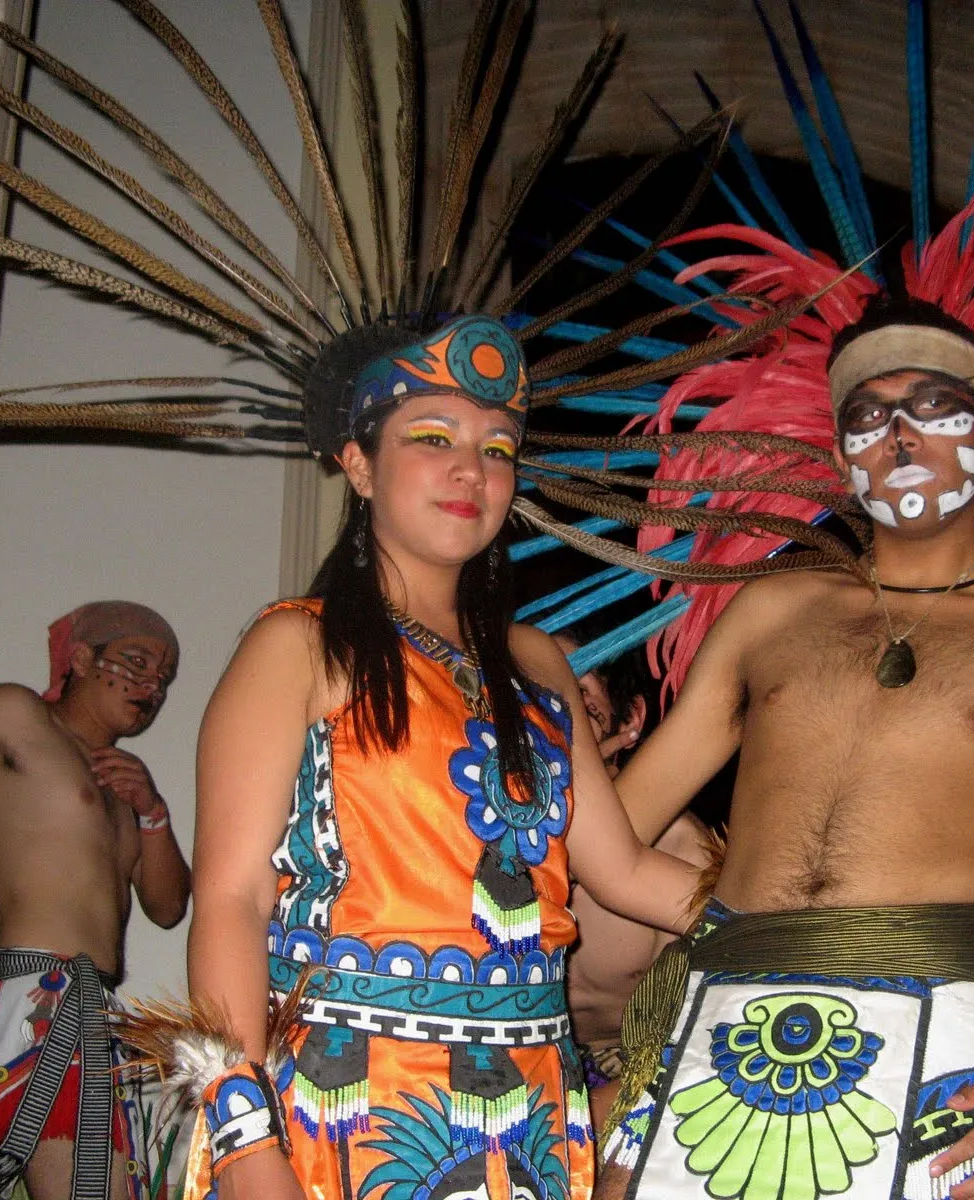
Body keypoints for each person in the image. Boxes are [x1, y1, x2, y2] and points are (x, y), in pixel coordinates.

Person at [597, 298, 974, 1200]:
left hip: (943, 1034)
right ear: (838, 455)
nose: (898, 434)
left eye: (933, 405)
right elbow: (615, 827)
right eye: (867, 415)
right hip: (716, 1027)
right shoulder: (771, 611)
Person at [163, 314, 704, 1200]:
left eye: (498, 449)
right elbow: (230, 897)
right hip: (344, 1106)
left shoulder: (536, 663)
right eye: (433, 439)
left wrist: (802, 917)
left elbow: (628, 871)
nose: (472, 470)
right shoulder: (298, 647)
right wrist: (243, 1138)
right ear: (360, 464)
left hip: (529, 1116)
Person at [0, 601, 190, 1200]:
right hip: (28, 992)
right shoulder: (19, 717)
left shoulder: (122, 783)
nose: (149, 687)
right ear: (81, 659)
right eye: (135, 663)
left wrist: (153, 812)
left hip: (92, 1010)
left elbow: (168, 907)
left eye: (161, 679)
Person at [552, 630, 717, 1131]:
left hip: (625, 1073)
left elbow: (697, 1033)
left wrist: (575, 1126)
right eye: (534, 685)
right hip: (498, 1061)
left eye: (579, 683)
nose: (555, 698)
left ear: (630, 721)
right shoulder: (469, 829)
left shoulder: (679, 852)